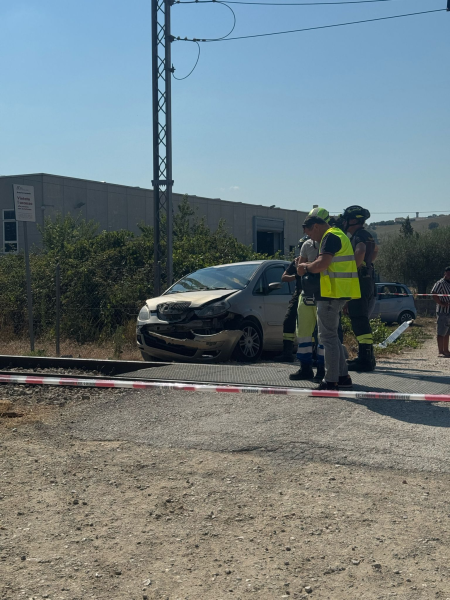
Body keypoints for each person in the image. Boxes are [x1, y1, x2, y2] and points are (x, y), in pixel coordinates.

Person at [296, 215, 361, 391]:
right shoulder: (338, 234)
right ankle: (342, 376)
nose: (310, 239)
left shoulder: (329, 237)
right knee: (332, 337)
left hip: (330, 294)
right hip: (338, 292)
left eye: (309, 234)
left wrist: (306, 267)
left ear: (315, 226)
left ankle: (330, 380)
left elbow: (322, 263)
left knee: (327, 338)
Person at [289, 207, 330, 382]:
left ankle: (322, 369)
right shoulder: (306, 245)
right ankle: (305, 368)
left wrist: (307, 266)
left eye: (310, 229)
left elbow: (312, 267)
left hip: (325, 293)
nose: (309, 234)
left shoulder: (330, 243)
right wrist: (305, 266)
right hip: (306, 294)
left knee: (323, 335)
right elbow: (299, 271)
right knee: (304, 333)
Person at [339, 206, 378, 372]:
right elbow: (374, 250)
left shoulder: (358, 236)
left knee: (359, 320)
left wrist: (352, 269)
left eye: (347, 219)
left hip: (359, 281)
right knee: (361, 320)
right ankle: (367, 357)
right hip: (367, 279)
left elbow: (361, 250)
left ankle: (365, 360)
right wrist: (367, 264)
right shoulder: (367, 235)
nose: (345, 222)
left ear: (353, 220)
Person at [272, 238, 305, 362]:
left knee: (311, 325)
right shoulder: (296, 262)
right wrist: (296, 275)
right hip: (298, 293)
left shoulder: (315, 261)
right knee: (288, 320)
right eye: (301, 248)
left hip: (312, 295)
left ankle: (313, 354)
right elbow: (284, 277)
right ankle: (287, 352)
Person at [431, 267, 450, 357]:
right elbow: (434, 293)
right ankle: (440, 351)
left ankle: (446, 350)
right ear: (445, 273)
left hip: (449, 312)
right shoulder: (440, 283)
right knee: (441, 331)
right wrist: (441, 303)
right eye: (448, 273)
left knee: (447, 332)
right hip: (443, 311)